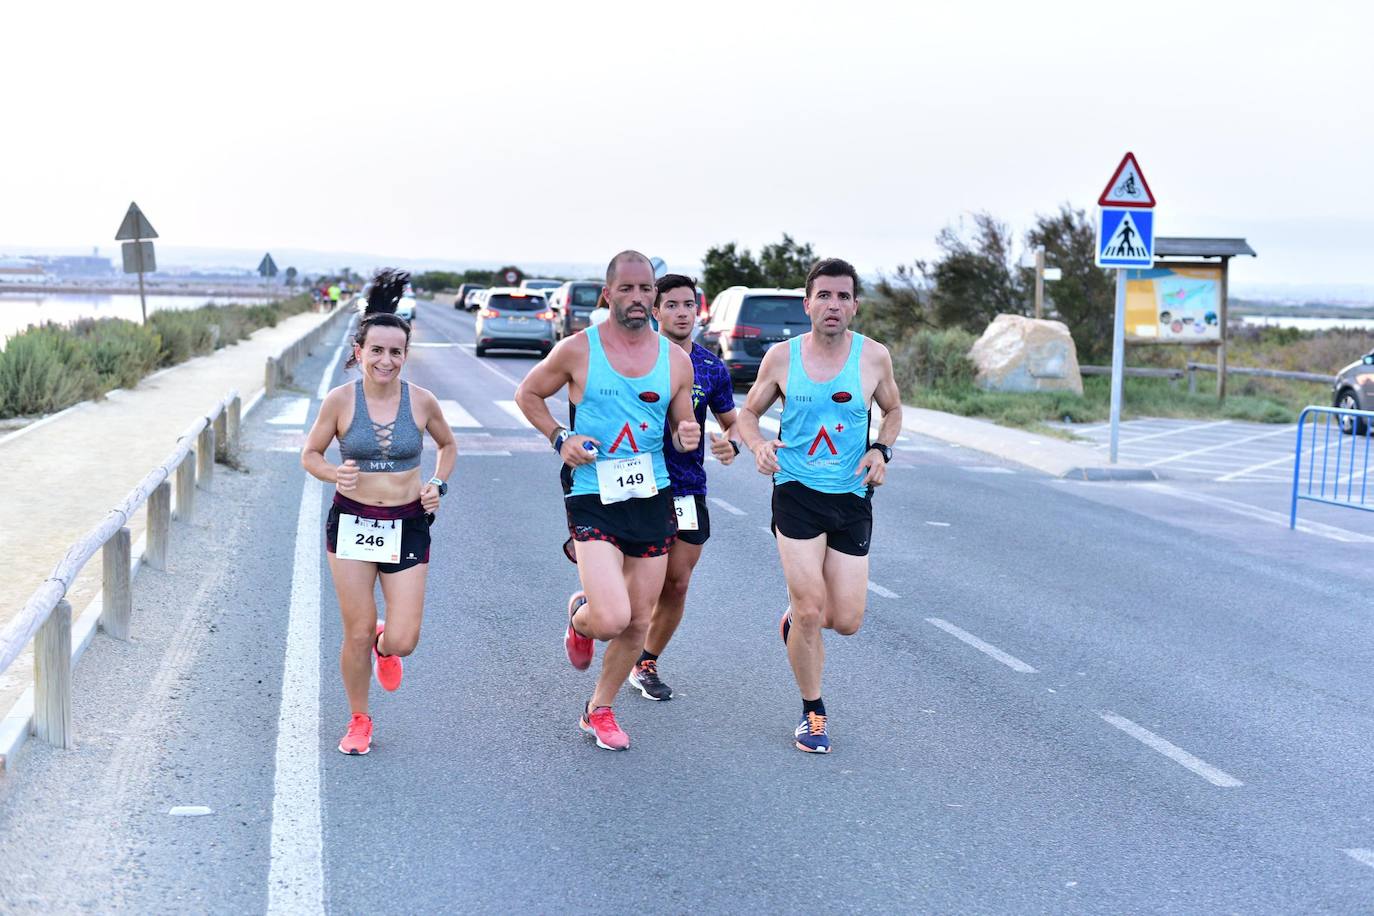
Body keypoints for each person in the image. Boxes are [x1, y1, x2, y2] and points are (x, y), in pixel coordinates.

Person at [514, 250, 699, 751]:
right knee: (612, 618)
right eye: (628, 289)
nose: (638, 298)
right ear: (608, 294)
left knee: (638, 619)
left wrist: (688, 435)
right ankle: (583, 616)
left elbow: (684, 430)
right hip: (593, 491)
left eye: (646, 290)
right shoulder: (578, 350)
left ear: (654, 299)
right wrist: (559, 438)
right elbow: (528, 395)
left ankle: (600, 708)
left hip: (652, 493)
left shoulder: (675, 360)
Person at [735, 258, 902, 754]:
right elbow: (748, 412)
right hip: (797, 493)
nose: (834, 305)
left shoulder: (874, 358)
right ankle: (813, 712)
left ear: (854, 305)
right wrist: (758, 444)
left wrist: (881, 449)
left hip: (852, 496)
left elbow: (892, 409)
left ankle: (795, 621)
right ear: (807, 304)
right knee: (811, 609)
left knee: (845, 620)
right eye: (824, 296)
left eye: (843, 296)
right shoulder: (781, 358)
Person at [301, 268, 456, 756]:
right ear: (359, 352)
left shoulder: (423, 401)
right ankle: (359, 718)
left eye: (396, 352)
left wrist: (437, 485)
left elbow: (448, 446)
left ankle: (385, 647)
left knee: (403, 639)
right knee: (357, 628)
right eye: (377, 351)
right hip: (352, 523)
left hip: (409, 523)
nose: (386, 360)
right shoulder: (340, 401)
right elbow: (310, 456)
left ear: (405, 355)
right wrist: (334, 475)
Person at [626, 274, 739, 701]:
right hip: (637, 485)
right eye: (671, 304)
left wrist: (731, 443)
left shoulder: (711, 367)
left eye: (688, 304)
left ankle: (646, 660)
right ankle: (591, 606)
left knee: (676, 583)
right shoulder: (636, 361)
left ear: (698, 310)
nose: (681, 312)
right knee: (632, 584)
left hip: (688, 488)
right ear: (655, 312)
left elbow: (732, 422)